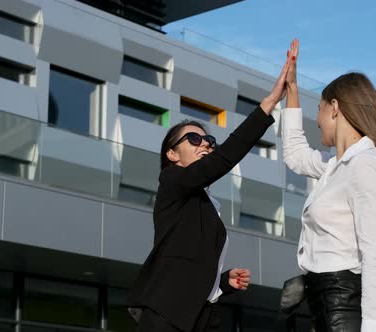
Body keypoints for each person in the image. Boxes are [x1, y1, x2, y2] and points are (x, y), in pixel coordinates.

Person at [127, 41, 299, 332]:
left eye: (208, 140)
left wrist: (222, 282)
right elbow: (222, 160)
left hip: (199, 317)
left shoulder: (204, 202)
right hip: (166, 314)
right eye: (193, 139)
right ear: (172, 154)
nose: (204, 143)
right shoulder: (171, 181)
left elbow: (190, 264)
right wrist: (269, 104)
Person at [282, 40, 376, 332]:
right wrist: (292, 91)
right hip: (326, 305)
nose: (317, 121)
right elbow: (295, 156)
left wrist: (372, 328)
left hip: (342, 309)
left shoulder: (363, 166)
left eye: (318, 110)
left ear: (334, 108)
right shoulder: (336, 165)